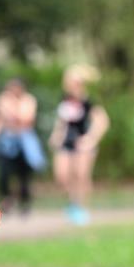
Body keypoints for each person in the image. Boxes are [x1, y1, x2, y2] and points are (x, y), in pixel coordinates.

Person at [49, 64, 109, 225]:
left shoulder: (89, 101)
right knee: (61, 175)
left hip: (82, 143)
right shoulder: (64, 99)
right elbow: (62, 121)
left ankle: (81, 208)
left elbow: (102, 121)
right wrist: (56, 135)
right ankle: (72, 202)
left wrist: (90, 139)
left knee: (81, 175)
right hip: (66, 142)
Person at [0, 78, 45, 213]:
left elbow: (25, 119)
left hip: (24, 142)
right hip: (7, 142)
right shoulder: (2, 100)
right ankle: (7, 199)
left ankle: (25, 202)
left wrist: (9, 111)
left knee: (24, 174)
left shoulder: (28, 100)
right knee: (4, 172)